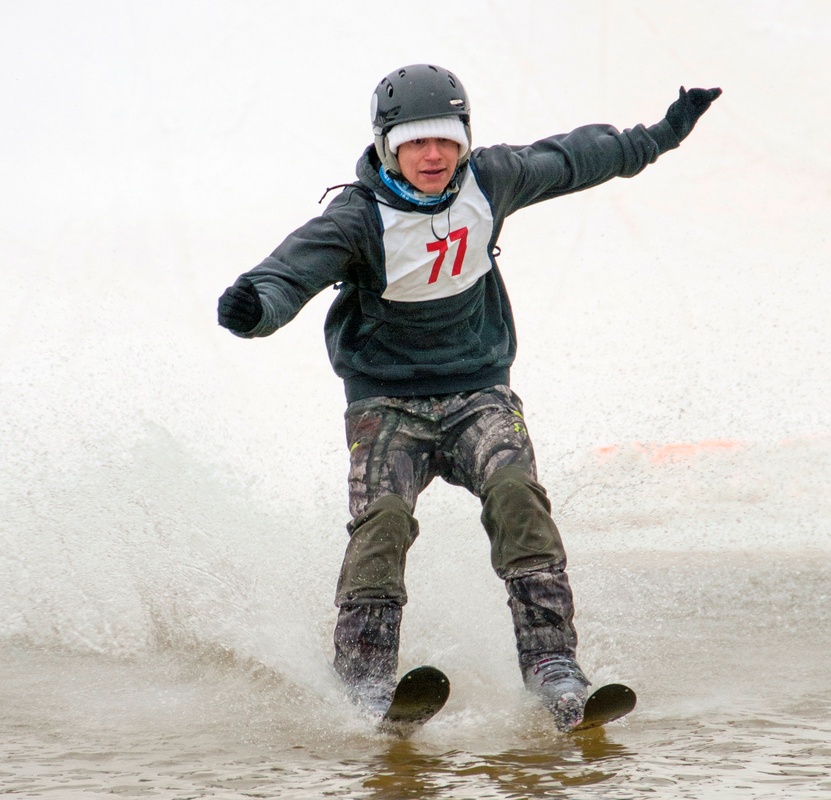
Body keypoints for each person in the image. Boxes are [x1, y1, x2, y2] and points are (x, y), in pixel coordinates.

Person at [217, 64, 721, 731]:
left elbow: (573, 158)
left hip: (478, 391)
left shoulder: (490, 180)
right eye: (417, 141)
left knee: (516, 491)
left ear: (464, 140)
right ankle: (366, 677)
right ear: (388, 144)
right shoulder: (358, 219)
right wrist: (257, 306)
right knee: (384, 522)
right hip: (386, 405)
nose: (434, 155)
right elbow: (290, 272)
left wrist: (659, 135)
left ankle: (552, 664)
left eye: (447, 140)